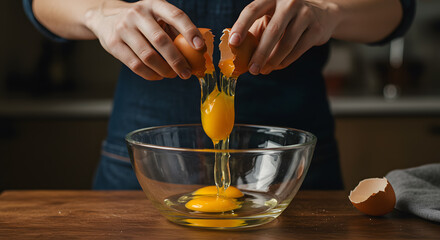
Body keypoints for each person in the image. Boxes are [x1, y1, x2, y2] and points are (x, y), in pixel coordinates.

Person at [24, 0, 415, 190]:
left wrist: (330, 10)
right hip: (145, 169)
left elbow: (399, 8)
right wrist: (100, 12)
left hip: (289, 171)